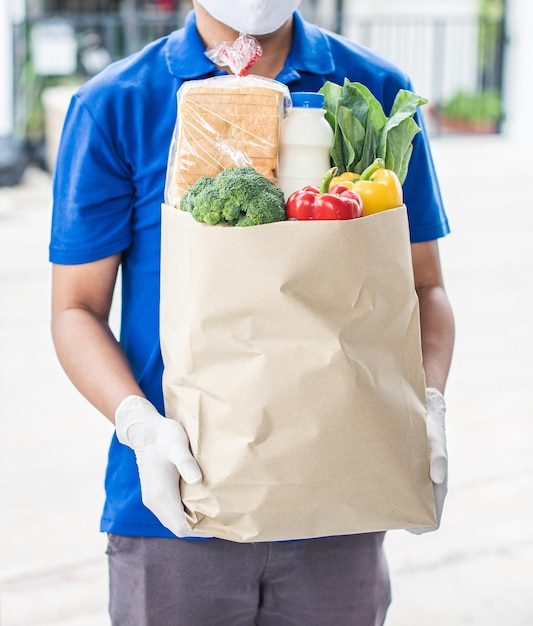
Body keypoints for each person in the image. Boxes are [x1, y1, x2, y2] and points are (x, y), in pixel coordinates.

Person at [49, 1, 455, 624]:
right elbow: (76, 308)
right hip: (175, 507)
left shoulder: (372, 92)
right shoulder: (116, 103)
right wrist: (139, 426)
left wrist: (425, 404)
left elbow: (424, 286)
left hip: (339, 491)